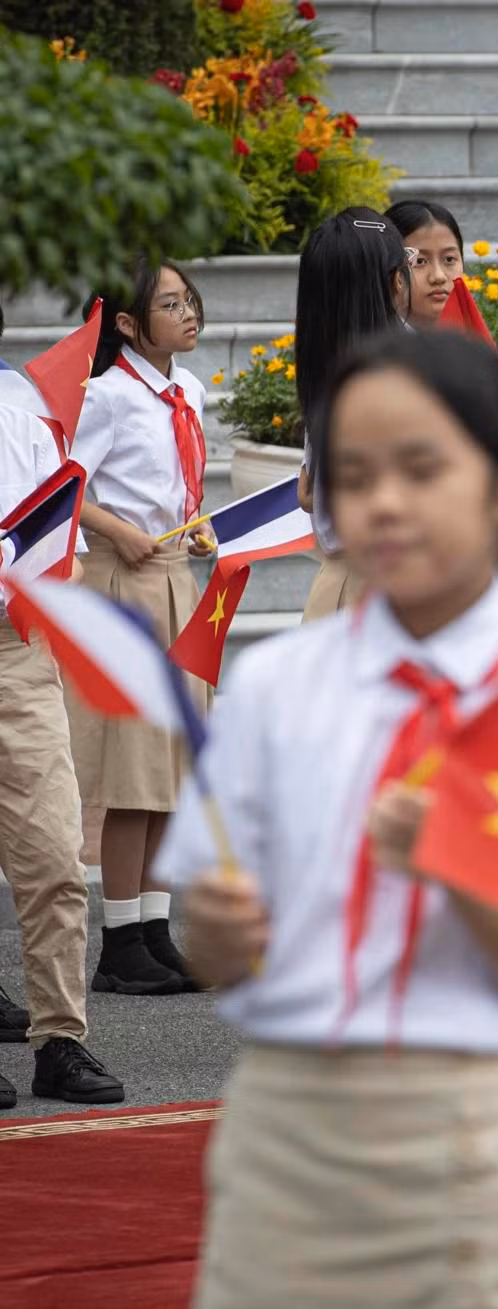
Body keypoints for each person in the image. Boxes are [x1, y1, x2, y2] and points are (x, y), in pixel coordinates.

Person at [163, 331, 498, 1309]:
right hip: (285, 1133)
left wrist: (455, 865)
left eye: (422, 468)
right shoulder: (277, 685)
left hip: (475, 1137)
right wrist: (217, 937)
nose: (384, 503)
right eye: (352, 477)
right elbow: (211, 942)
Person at [69, 259, 215, 996]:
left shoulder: (186, 390)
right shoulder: (108, 397)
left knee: (171, 765)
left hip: (173, 581)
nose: (188, 312)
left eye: (189, 299)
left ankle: (154, 928)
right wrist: (116, 531)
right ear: (126, 324)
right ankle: (119, 936)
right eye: (168, 303)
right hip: (122, 583)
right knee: (133, 771)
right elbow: (60, 488)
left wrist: (194, 533)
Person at [0, 319, 125, 1106]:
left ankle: (61, 1040)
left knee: (52, 857)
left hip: (18, 649)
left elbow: (60, 531)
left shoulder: (24, 403)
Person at [294, 207, 410, 620]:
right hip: (404, 589)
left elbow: (308, 494)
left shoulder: (324, 363)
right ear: (397, 282)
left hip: (339, 586)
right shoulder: (416, 365)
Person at [384, 199, 466, 330]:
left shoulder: (476, 339)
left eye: (449, 259)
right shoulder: (371, 346)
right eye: (419, 261)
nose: (439, 277)